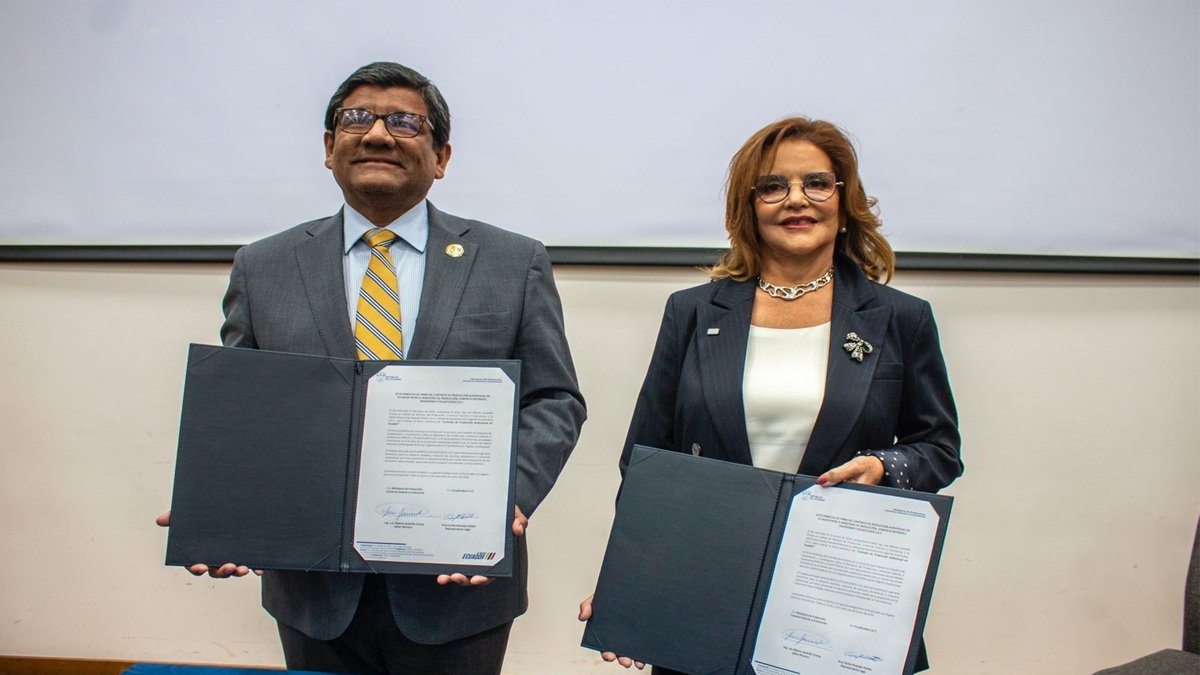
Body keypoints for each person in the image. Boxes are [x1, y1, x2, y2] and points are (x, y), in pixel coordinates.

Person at [157, 61, 586, 675]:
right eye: (356, 119)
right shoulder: (264, 266)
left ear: (441, 157)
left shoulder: (512, 262)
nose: (379, 134)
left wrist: (503, 499)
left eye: (406, 122)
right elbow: (244, 408)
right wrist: (224, 512)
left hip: (457, 589)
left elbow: (554, 399)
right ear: (330, 149)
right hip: (313, 594)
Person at [578, 117, 962, 673]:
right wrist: (634, 582)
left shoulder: (901, 318)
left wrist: (882, 465)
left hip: (836, 596)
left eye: (817, 183)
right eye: (773, 186)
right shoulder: (691, 312)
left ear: (843, 198)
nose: (796, 200)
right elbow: (646, 462)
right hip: (705, 581)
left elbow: (940, 448)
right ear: (749, 205)